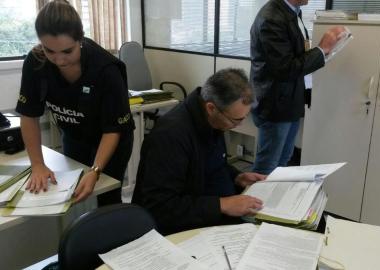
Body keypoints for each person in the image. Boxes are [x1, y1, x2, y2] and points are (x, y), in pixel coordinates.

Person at [15, 0, 134, 205]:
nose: (59, 60)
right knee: (71, 193)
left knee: (105, 196)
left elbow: (113, 129)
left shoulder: (106, 69)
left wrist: (95, 170)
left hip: (110, 139)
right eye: (50, 50)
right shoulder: (35, 62)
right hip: (74, 135)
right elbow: (28, 116)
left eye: (67, 51)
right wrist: (37, 165)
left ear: (80, 39)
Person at [132, 68, 265, 235]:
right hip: (181, 231)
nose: (239, 125)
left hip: (213, 216)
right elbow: (160, 206)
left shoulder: (213, 120)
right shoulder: (171, 136)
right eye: (235, 120)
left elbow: (211, 165)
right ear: (211, 108)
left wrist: (237, 177)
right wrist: (222, 205)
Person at [250, 0, 346, 174]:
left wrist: (324, 51)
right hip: (275, 104)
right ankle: (255, 200)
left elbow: (296, 55)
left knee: (283, 160)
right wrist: (321, 49)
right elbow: (285, 68)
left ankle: (272, 200)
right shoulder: (272, 18)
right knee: (267, 166)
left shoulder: (293, 12)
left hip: (290, 99)